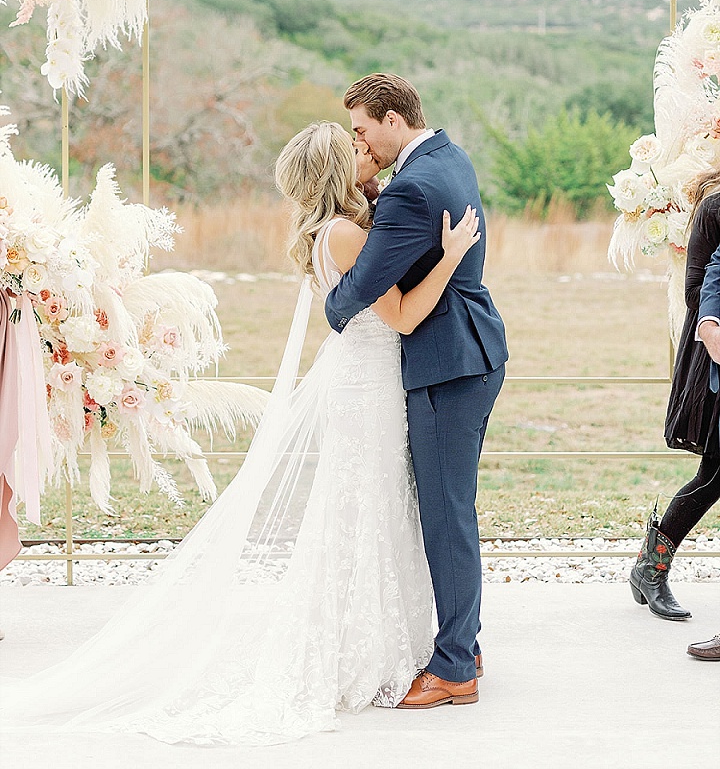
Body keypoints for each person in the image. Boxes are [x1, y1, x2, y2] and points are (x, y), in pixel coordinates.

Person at [0, 121, 481, 744]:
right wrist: (451, 256)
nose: (368, 154)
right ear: (339, 169)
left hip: (368, 384)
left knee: (377, 511)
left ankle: (402, 642)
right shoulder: (346, 236)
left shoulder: (337, 230)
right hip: (369, 392)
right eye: (356, 149)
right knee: (369, 512)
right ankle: (367, 651)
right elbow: (405, 313)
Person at [324, 73, 508, 709]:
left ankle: (455, 665)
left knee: (446, 513)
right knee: (450, 508)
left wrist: (328, 301)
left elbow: (363, 286)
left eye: (363, 129)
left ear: (393, 121)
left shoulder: (411, 187)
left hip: (446, 363)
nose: (361, 141)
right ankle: (466, 641)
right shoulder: (447, 156)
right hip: (471, 350)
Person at [630, 172, 720, 620]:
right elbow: (694, 291)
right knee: (716, 470)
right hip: (714, 356)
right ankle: (651, 567)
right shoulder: (714, 210)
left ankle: (651, 566)